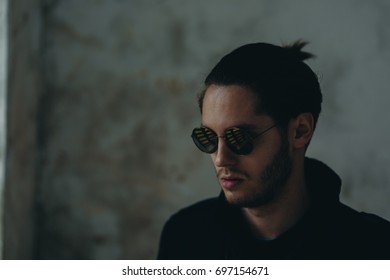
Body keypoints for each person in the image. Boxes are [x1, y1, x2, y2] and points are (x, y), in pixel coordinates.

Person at [157, 40, 390, 259]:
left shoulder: (373, 247)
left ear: (300, 131)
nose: (221, 158)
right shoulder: (185, 237)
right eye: (207, 137)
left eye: (239, 138)